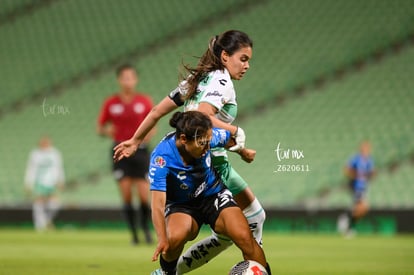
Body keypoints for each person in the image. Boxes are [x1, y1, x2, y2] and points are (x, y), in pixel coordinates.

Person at [113, 30, 266, 273]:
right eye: (243, 59)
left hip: (212, 154)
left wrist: (135, 140)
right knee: (252, 220)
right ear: (225, 56)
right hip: (211, 163)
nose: (247, 66)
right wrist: (235, 129)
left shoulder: (197, 79)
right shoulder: (221, 80)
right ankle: (254, 269)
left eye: (249, 60)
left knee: (249, 221)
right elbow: (204, 115)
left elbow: (155, 111)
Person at [150, 111, 271, 275]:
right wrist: (162, 238)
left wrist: (242, 152)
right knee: (174, 240)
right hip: (182, 204)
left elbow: (228, 139)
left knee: (244, 236)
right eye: (202, 144)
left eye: (209, 142)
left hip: (213, 194)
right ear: (184, 139)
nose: (208, 148)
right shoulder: (161, 158)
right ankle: (167, 273)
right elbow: (157, 204)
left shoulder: (206, 137)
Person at [97, 64, 155, 244]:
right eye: (124, 78)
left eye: (131, 77)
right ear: (119, 80)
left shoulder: (144, 101)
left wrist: (141, 140)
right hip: (120, 151)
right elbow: (100, 127)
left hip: (140, 151)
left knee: (145, 195)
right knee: (127, 194)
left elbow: (153, 125)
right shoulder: (111, 103)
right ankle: (134, 235)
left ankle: (146, 230)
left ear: (135, 80)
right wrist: (109, 132)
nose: (128, 81)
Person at [24, 136, 65, 231]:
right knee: (39, 202)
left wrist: (61, 180)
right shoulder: (35, 154)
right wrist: (28, 183)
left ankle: (46, 221)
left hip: (52, 182)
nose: (45, 145)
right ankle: (39, 226)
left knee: (55, 204)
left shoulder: (55, 153)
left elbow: (59, 168)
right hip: (39, 182)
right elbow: (31, 169)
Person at [343, 141, 375, 236]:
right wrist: (355, 175)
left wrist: (371, 175)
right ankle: (349, 226)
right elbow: (346, 169)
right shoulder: (356, 159)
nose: (366, 149)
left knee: (362, 209)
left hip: (364, 188)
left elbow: (371, 172)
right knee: (364, 207)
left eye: (367, 148)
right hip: (356, 187)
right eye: (364, 147)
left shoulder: (369, 160)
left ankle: (348, 222)